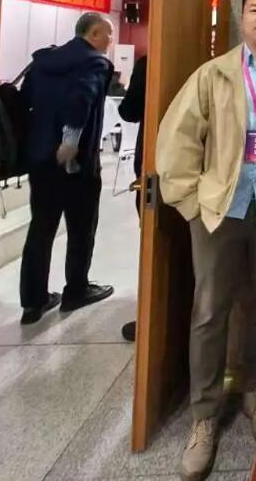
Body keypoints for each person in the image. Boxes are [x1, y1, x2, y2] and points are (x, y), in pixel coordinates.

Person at [156, 0, 256, 481]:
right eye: (255, 9)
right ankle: (203, 416)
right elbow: (178, 141)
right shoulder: (214, 74)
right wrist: (191, 204)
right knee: (209, 312)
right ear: (242, 18)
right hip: (219, 212)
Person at [18, 12, 116, 324]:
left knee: (41, 227)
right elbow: (81, 100)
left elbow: (23, 103)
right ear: (95, 33)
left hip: (40, 160)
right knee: (81, 227)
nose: (110, 41)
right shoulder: (95, 63)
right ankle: (76, 290)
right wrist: (70, 141)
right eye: (109, 34)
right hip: (76, 163)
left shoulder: (43, 62)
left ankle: (33, 302)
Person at [116, 54, 147, 343]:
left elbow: (129, 111)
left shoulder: (148, 64)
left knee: (153, 246)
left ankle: (152, 315)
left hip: (151, 163)